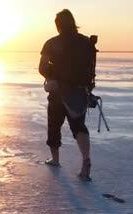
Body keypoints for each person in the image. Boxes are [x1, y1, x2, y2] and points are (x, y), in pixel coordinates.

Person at [39, 9, 97, 181]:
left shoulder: (51, 43)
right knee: (79, 126)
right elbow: (91, 68)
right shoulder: (86, 42)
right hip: (79, 91)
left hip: (58, 91)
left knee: (54, 126)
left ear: (58, 25)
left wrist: (51, 76)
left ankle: (55, 160)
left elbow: (42, 67)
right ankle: (85, 160)